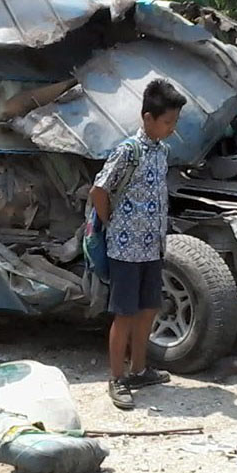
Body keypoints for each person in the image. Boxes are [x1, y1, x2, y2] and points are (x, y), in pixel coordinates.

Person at [90, 79, 187, 410]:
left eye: (175, 123)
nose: (172, 129)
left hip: (152, 247)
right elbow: (99, 191)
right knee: (125, 314)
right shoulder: (127, 152)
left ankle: (139, 369)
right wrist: (111, 224)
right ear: (147, 117)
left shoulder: (163, 152)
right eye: (167, 122)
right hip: (126, 249)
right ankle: (116, 378)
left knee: (148, 309)